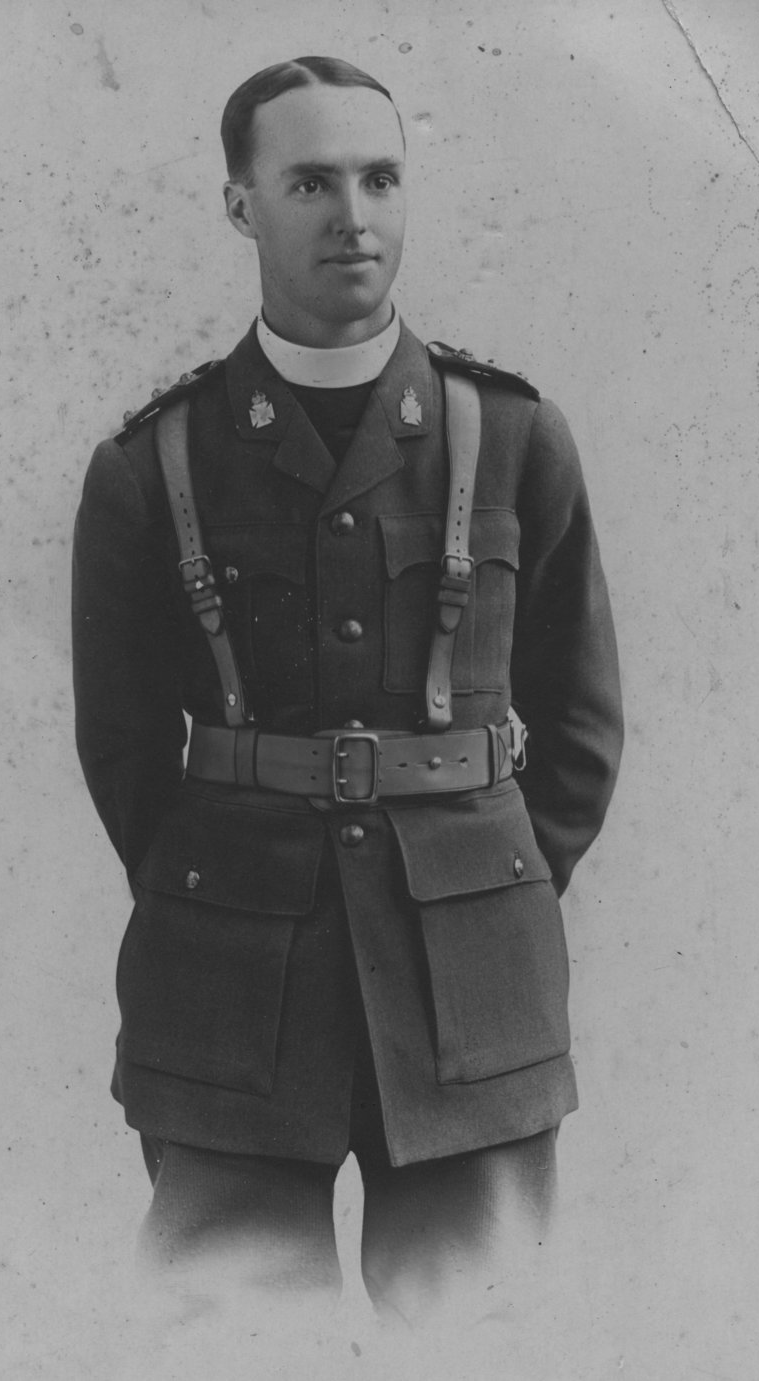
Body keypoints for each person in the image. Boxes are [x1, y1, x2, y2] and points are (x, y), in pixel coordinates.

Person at [72, 55, 622, 1329]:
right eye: (309, 181)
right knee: (226, 1332)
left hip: (473, 981)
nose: (353, 216)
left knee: (484, 1333)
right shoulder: (153, 464)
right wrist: (224, 879)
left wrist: (489, 882)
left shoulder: (516, 437)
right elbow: (125, 754)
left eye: (380, 178)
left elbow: (580, 721)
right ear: (239, 205)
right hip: (229, 979)